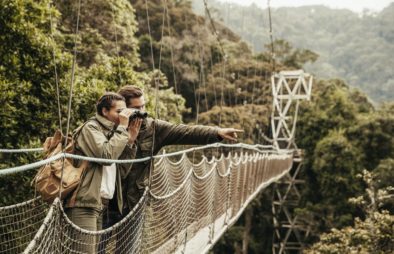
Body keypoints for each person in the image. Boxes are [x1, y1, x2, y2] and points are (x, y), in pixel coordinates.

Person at [117, 85, 243, 214]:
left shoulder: (153, 128)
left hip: (136, 202)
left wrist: (217, 132)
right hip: (111, 201)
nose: (142, 112)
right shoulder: (110, 127)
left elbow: (186, 132)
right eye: (136, 108)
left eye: (143, 106)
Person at [64, 92, 141, 253]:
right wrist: (122, 129)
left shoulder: (113, 132)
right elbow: (106, 156)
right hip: (84, 203)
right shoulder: (90, 128)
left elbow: (121, 171)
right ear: (105, 111)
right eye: (118, 112)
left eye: (124, 112)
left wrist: (130, 142)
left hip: (101, 204)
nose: (122, 116)